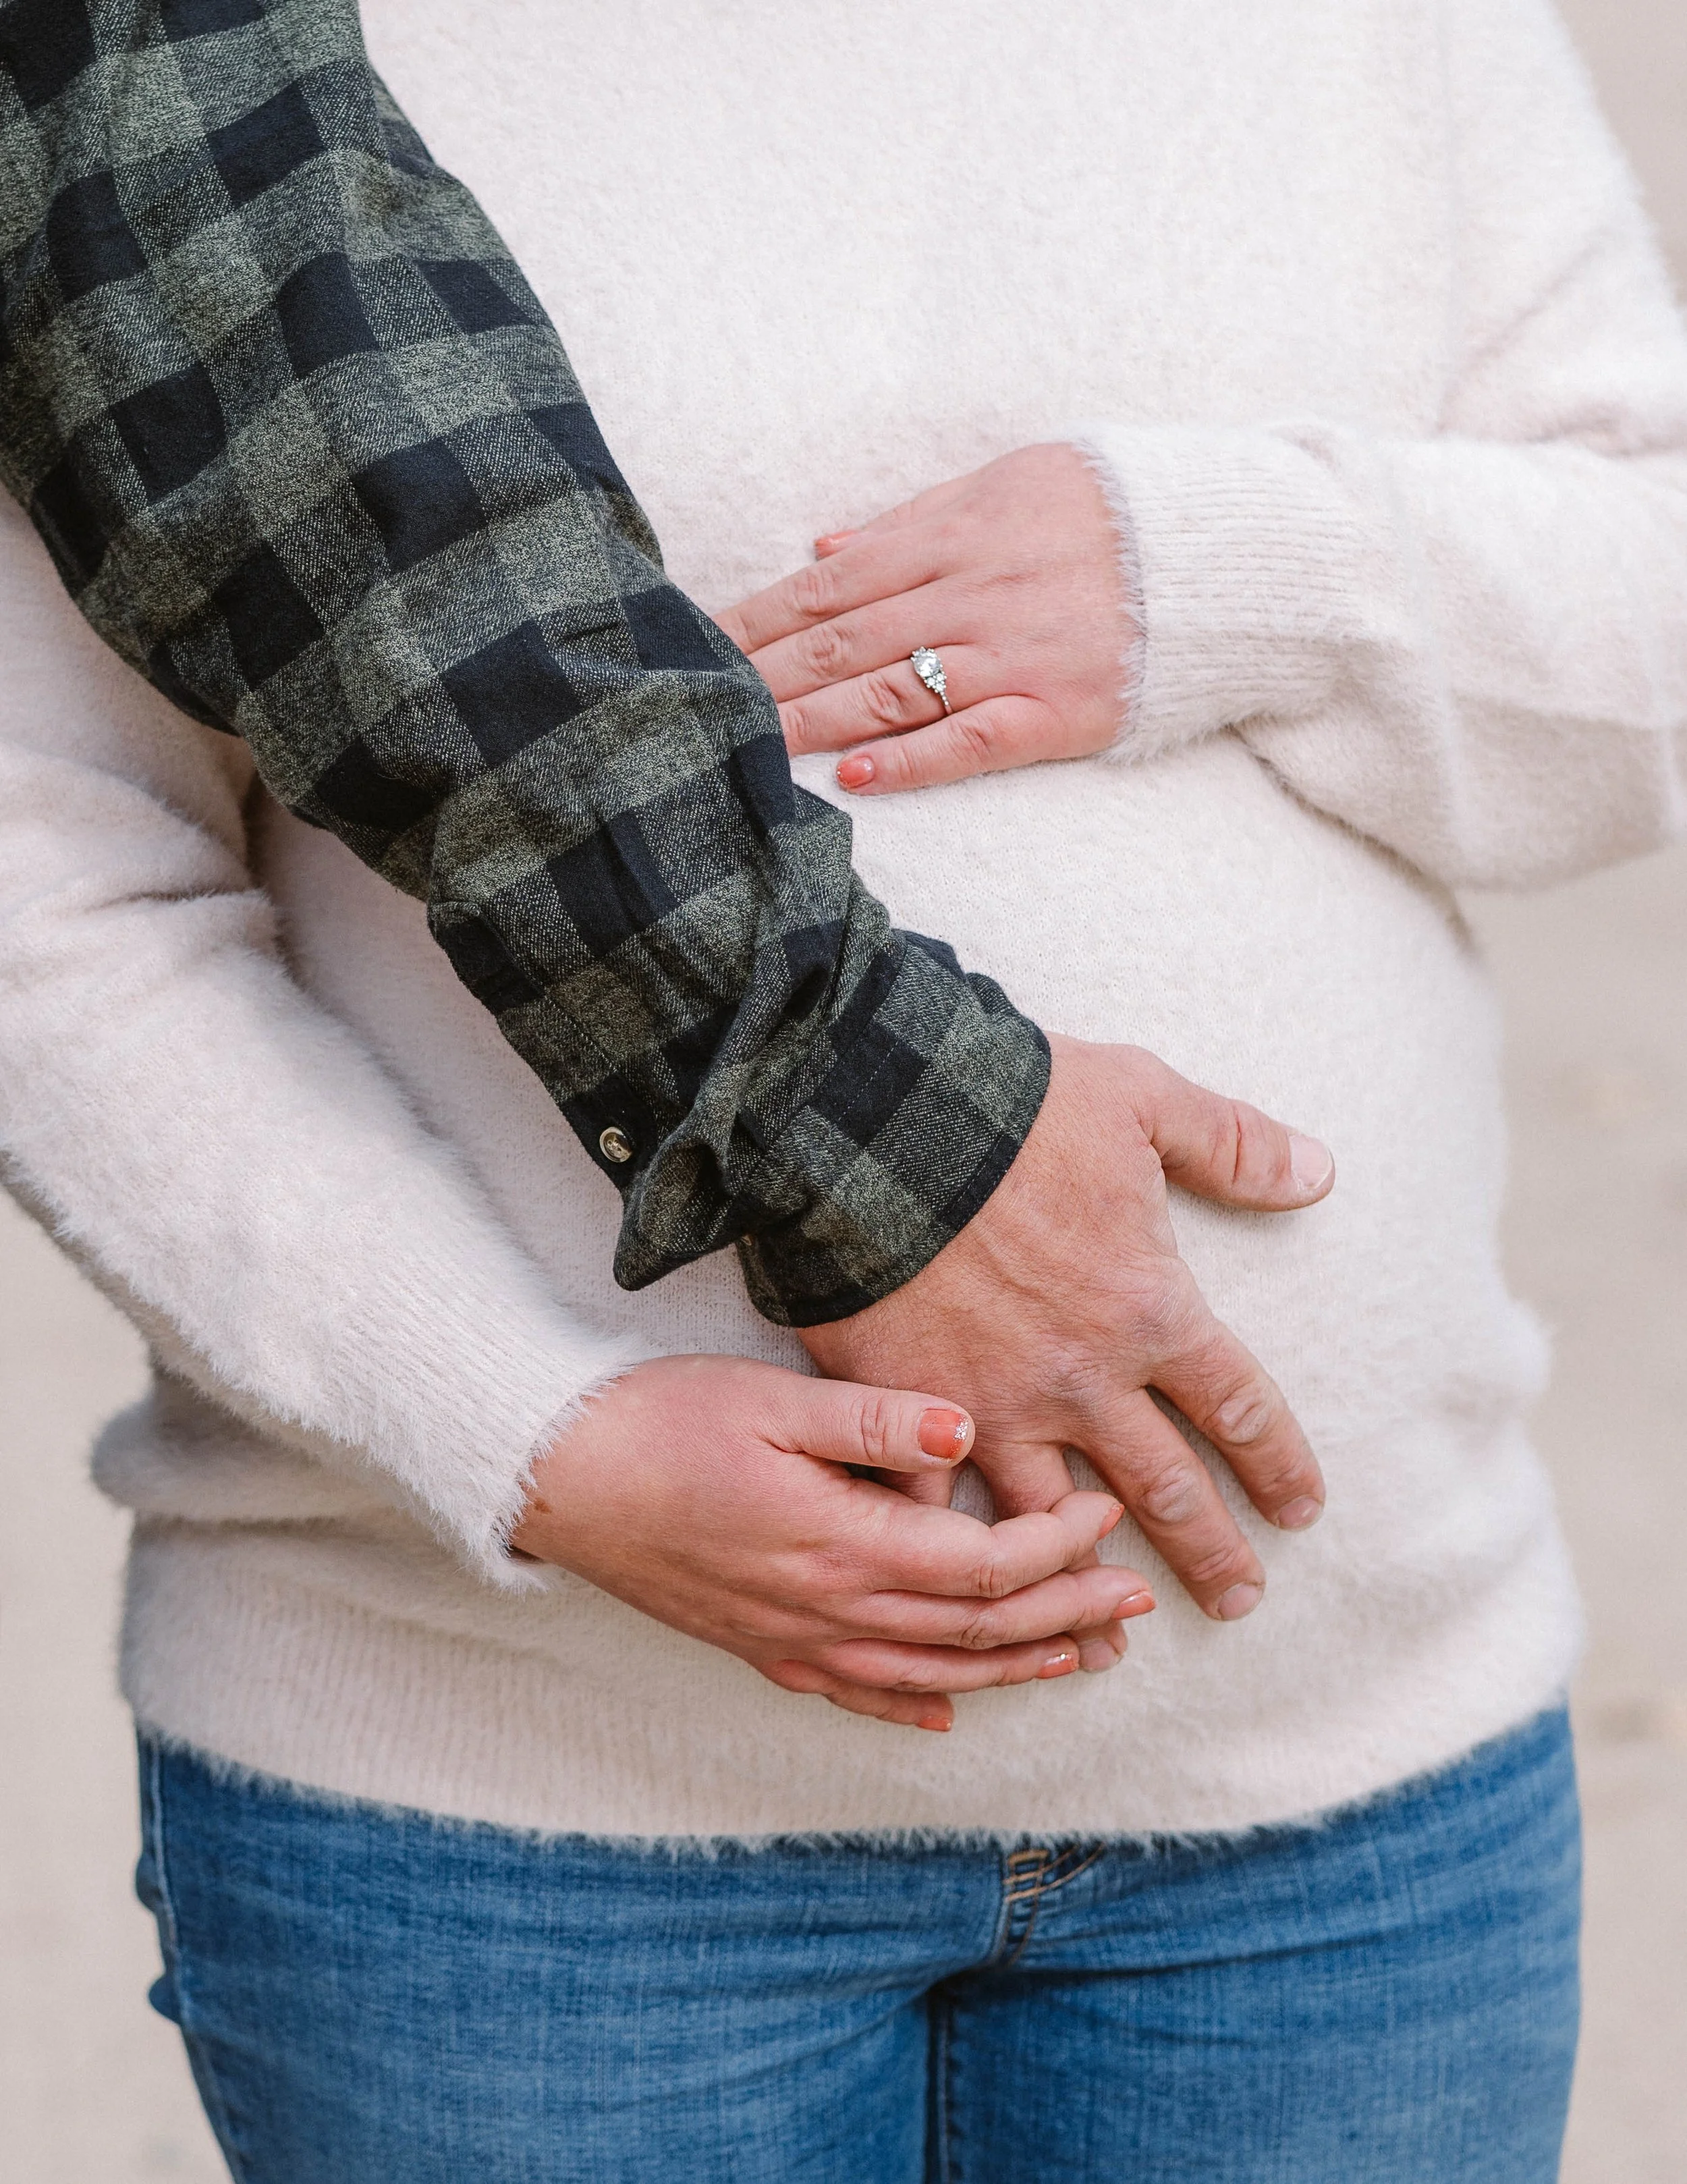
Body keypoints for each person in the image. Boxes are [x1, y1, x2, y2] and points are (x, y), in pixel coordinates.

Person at [5, 2, 1686, 2181]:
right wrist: (529, 1434)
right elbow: (61, 902)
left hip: (1340, 1817)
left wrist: (1237, 571)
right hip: (518, 1844)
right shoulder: (197, 76)